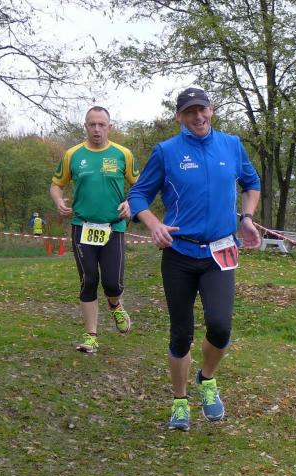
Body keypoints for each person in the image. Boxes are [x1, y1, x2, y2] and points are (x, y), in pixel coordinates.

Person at [127, 87, 261, 431]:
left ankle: (207, 378)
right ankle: (180, 402)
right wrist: (154, 224)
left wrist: (247, 217)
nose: (198, 117)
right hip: (180, 253)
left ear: (212, 110)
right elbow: (138, 194)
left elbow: (252, 182)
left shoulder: (231, 145)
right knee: (181, 334)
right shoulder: (166, 152)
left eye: (202, 109)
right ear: (179, 117)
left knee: (220, 326)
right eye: (190, 112)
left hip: (220, 251)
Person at [50, 106, 139, 353]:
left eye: (101, 124)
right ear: (86, 126)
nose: (97, 129)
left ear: (110, 127)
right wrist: (58, 200)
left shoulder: (123, 154)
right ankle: (91, 336)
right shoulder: (73, 155)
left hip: (114, 227)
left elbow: (140, 185)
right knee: (88, 279)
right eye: (92, 124)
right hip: (82, 226)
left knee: (112, 283)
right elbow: (56, 185)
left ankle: (115, 304)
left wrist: (131, 202)